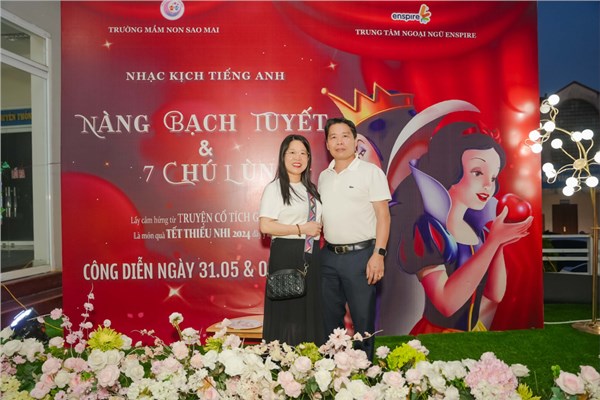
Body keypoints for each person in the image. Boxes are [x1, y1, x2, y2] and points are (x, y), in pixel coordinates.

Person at [393, 123, 533, 334]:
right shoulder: (429, 230)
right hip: (438, 333)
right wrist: (493, 243)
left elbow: (495, 294)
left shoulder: (479, 231)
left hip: (474, 331)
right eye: (477, 172)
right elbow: (446, 304)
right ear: (450, 170)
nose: (488, 185)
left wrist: (499, 244)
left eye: (493, 177)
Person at [318, 117, 391, 360]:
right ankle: (332, 369)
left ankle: (364, 371)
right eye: (333, 137)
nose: (339, 142)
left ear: (355, 140)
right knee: (329, 320)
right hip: (329, 257)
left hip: (361, 256)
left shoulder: (371, 172)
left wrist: (378, 254)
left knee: (363, 321)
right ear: (327, 144)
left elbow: (383, 216)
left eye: (345, 136)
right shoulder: (324, 176)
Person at [259, 134, 325, 345]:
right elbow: (265, 226)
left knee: (309, 314)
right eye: (292, 152)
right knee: (288, 315)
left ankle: (310, 360)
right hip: (286, 254)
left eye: (303, 153)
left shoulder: (311, 190)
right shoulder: (275, 188)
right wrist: (300, 228)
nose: (298, 158)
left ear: (309, 159)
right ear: (283, 156)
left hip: (311, 256)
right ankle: (285, 361)